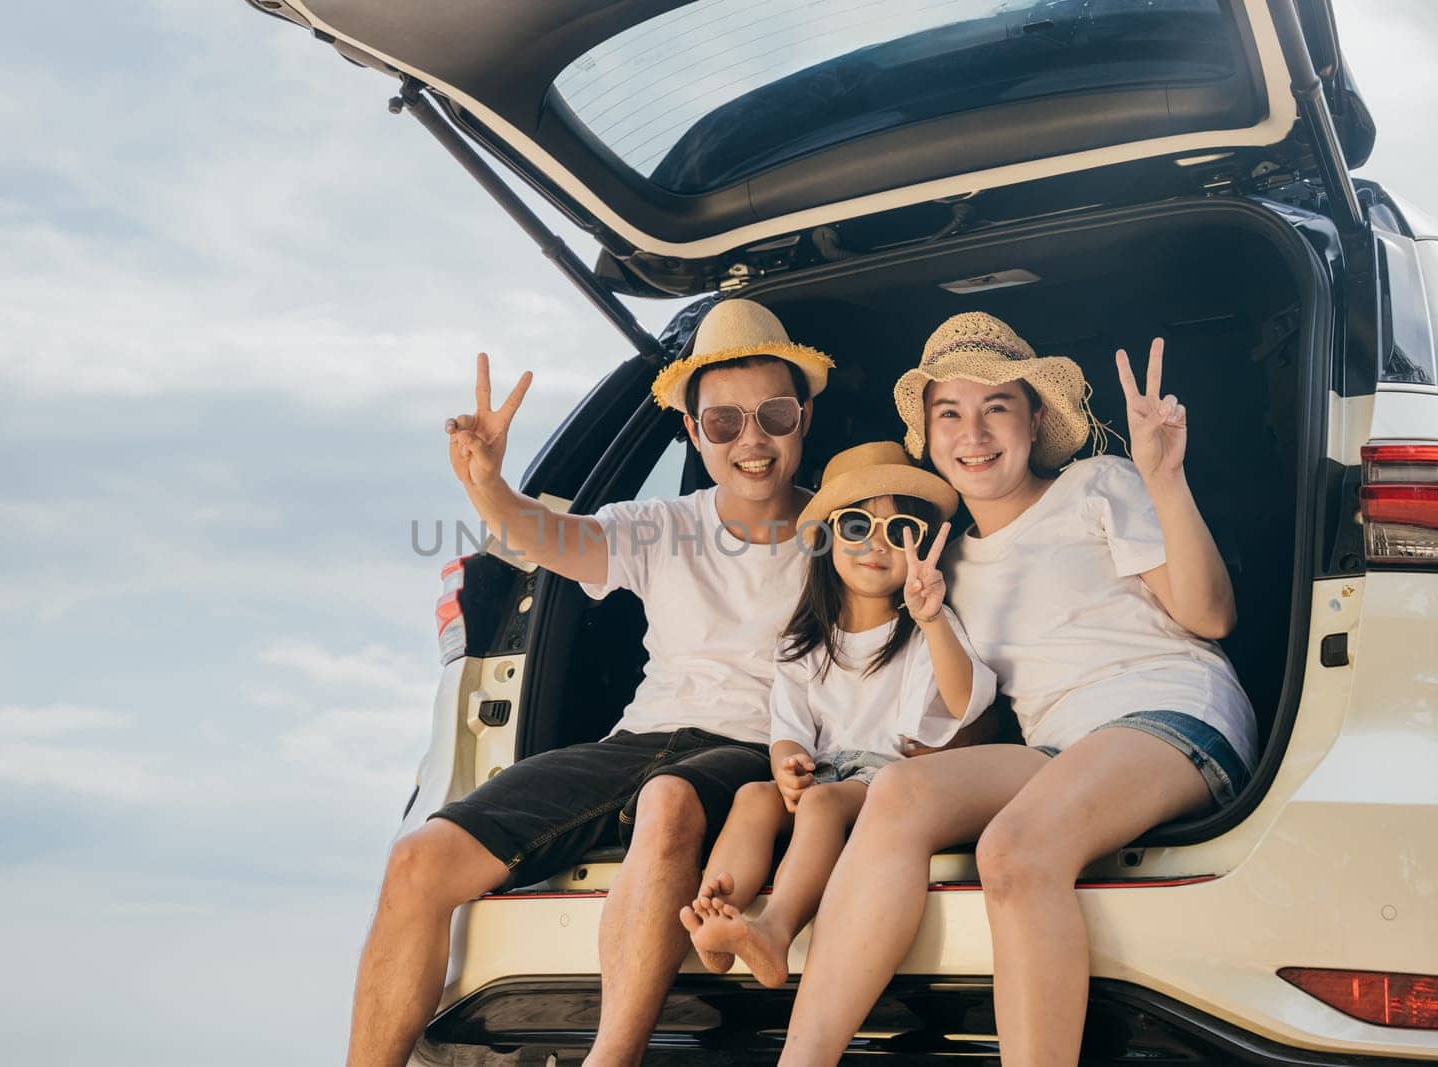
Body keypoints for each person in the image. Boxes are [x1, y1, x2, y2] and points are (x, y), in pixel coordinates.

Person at [343, 299, 837, 1067]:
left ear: (804, 414)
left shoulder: (844, 532)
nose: (752, 440)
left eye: (773, 414)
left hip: (756, 747)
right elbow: (554, 540)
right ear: (691, 430)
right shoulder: (664, 523)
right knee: (417, 861)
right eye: (723, 423)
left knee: (667, 802)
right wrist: (487, 486)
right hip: (639, 741)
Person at [777, 312, 1258, 1066]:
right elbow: (967, 727)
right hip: (1055, 748)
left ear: (1035, 419)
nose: (973, 432)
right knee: (898, 791)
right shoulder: (944, 562)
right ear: (928, 436)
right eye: (950, 413)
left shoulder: (1098, 483)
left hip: (1171, 711)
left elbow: (1211, 614)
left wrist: (1165, 479)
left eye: (995, 406)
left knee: (1014, 847)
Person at [678, 441, 996, 989]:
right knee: (754, 796)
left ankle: (775, 932)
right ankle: (718, 910)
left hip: (888, 779)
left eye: (901, 533)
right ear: (824, 540)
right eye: (856, 526)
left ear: (922, 548)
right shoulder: (803, 644)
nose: (877, 544)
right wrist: (787, 764)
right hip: (825, 770)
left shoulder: (926, 630)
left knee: (821, 804)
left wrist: (933, 618)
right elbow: (788, 728)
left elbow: (964, 700)